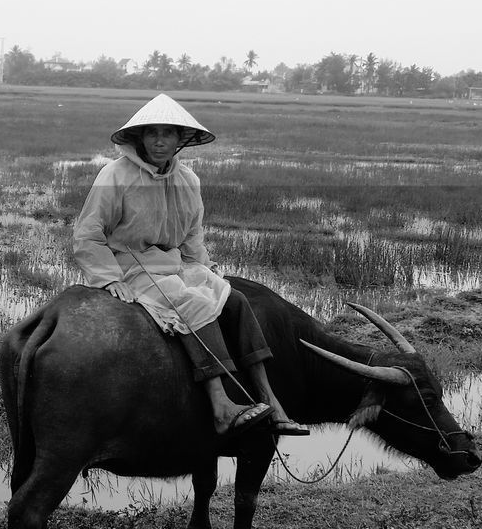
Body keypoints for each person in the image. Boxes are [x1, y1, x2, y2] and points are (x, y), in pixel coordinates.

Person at [72, 93, 309, 438]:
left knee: (234, 299)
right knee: (193, 304)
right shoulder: (115, 175)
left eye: (168, 133)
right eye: (151, 133)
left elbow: (192, 237)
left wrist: (205, 268)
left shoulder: (188, 181)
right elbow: (87, 233)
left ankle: (269, 399)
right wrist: (109, 278)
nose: (159, 141)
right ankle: (221, 405)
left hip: (176, 265)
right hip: (134, 266)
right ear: (139, 136)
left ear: (181, 139)